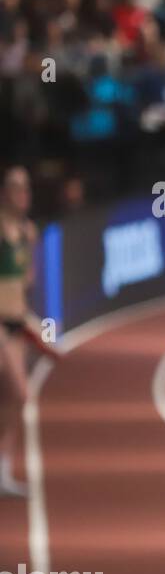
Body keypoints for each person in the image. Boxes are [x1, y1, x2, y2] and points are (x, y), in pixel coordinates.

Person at [0, 166, 42, 498]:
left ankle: (3, 470)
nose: (22, 193)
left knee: (12, 400)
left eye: (26, 187)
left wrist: (30, 321)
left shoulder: (29, 231)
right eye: (15, 187)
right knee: (21, 392)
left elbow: (25, 282)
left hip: (16, 322)